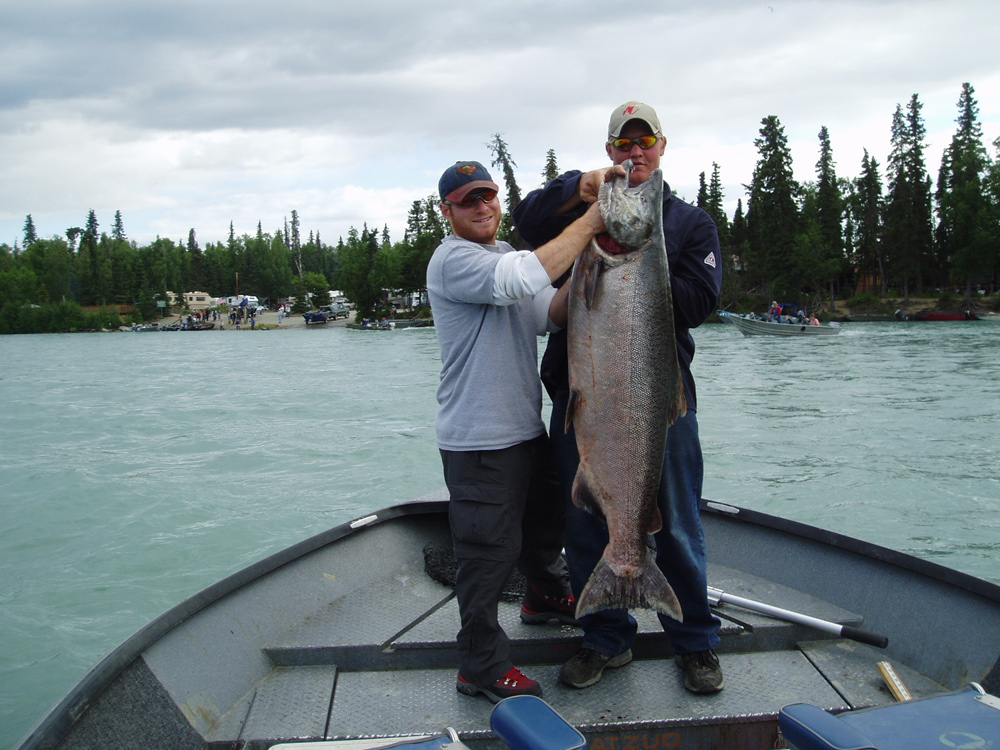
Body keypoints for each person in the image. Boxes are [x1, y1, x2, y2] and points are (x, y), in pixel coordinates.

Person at [512, 101, 725, 695]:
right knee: (584, 521)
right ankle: (606, 638)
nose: (635, 154)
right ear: (609, 152)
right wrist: (578, 192)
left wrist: (638, 264)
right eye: (623, 145)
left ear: (662, 146)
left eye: (645, 142)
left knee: (678, 523)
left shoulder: (687, 223)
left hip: (662, 396)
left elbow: (701, 301)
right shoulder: (580, 209)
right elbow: (527, 224)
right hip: (583, 396)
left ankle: (696, 642)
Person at [427, 160, 606, 703]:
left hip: (523, 430)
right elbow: (520, 279)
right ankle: (479, 666)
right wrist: (592, 221)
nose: (482, 207)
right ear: (448, 211)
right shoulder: (452, 259)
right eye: (468, 201)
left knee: (542, 526)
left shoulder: (504, 254)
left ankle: (544, 598)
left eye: (488, 196)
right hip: (478, 442)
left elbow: (546, 314)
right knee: (487, 554)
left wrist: (597, 264)